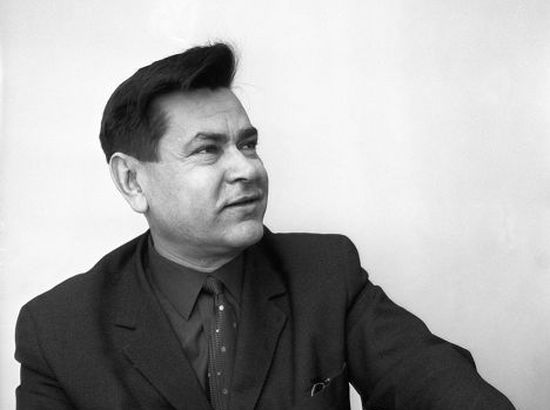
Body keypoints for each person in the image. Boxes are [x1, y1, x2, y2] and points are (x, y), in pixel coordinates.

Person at [15, 43, 516, 410]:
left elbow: (441, 387)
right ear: (132, 180)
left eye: (248, 144)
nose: (247, 169)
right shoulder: (58, 328)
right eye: (208, 149)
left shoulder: (326, 273)